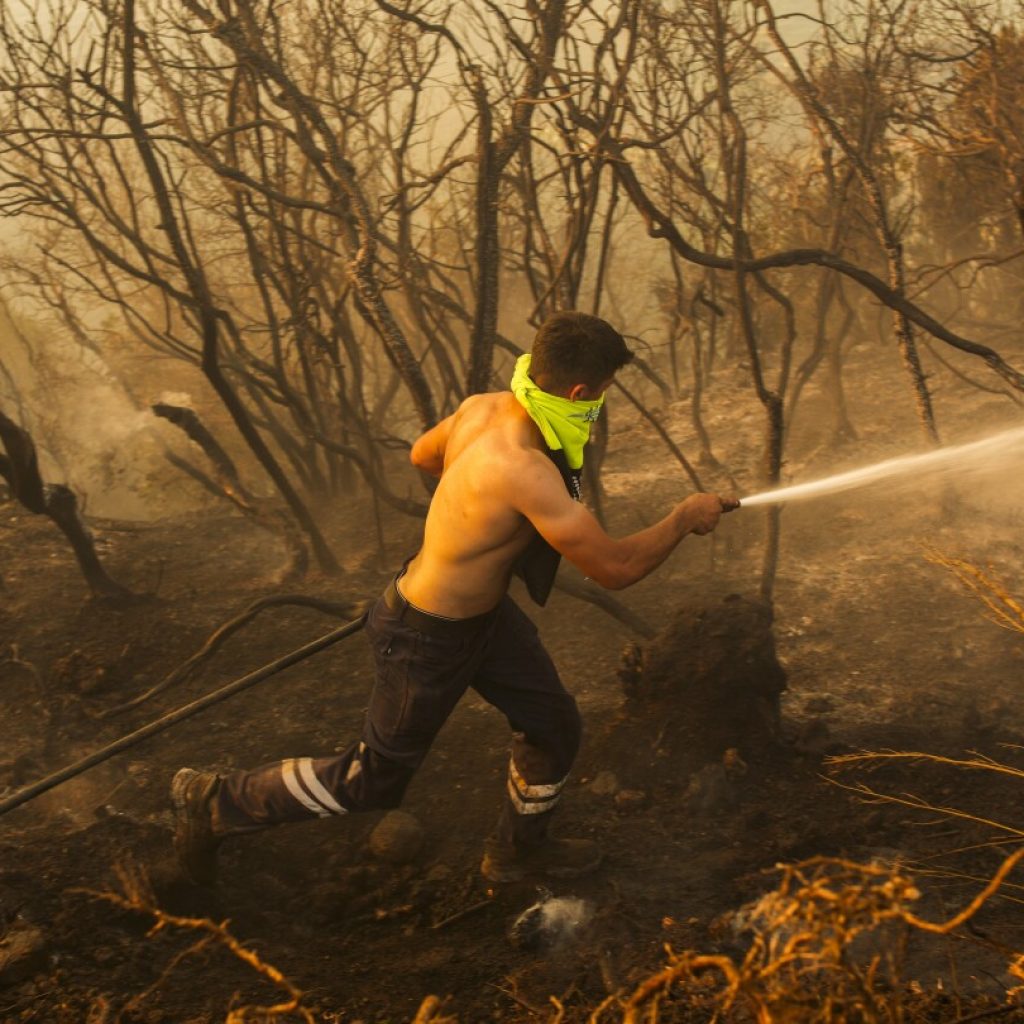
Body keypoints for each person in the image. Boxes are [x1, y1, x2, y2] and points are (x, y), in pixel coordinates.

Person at [172, 311, 738, 886]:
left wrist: (471, 521)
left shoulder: (480, 408)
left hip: (484, 623)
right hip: (425, 636)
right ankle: (217, 801)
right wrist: (684, 517)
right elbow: (616, 568)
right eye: (603, 395)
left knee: (553, 725)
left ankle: (519, 851)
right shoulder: (524, 470)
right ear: (580, 393)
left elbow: (423, 454)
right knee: (372, 780)